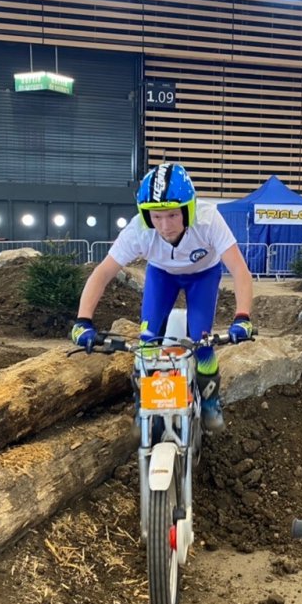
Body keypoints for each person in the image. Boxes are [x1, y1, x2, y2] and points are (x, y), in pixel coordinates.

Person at [70, 162, 254, 432]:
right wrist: (83, 321)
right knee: (146, 343)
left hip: (203, 276)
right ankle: (142, 402)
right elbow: (103, 272)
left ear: (188, 209)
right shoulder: (138, 230)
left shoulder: (208, 219)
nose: (165, 226)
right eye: (156, 217)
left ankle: (210, 401)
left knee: (202, 341)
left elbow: (239, 269)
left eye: (172, 215)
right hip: (162, 275)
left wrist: (242, 317)